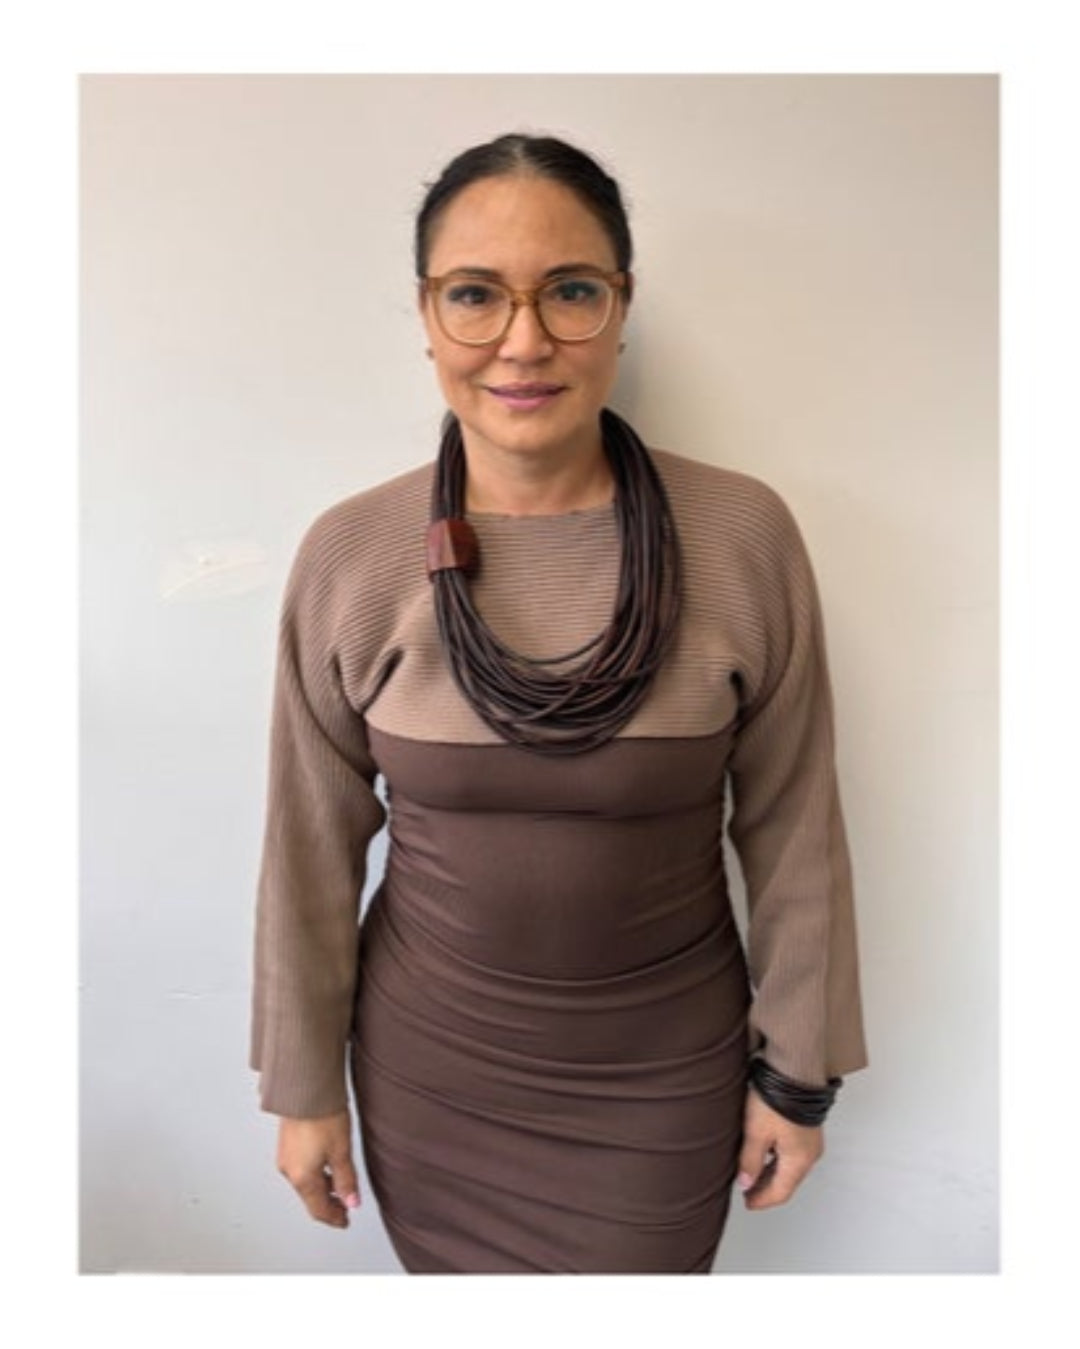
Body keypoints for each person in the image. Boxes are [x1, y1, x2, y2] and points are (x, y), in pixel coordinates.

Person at [250, 132, 868, 1274]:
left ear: (621, 307)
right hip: (433, 1074)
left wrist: (799, 1075)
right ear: (428, 315)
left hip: (663, 1074)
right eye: (476, 295)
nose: (523, 341)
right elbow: (308, 847)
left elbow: (793, 829)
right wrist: (303, 1089)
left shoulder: (740, 538)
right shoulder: (353, 554)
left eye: (571, 291)